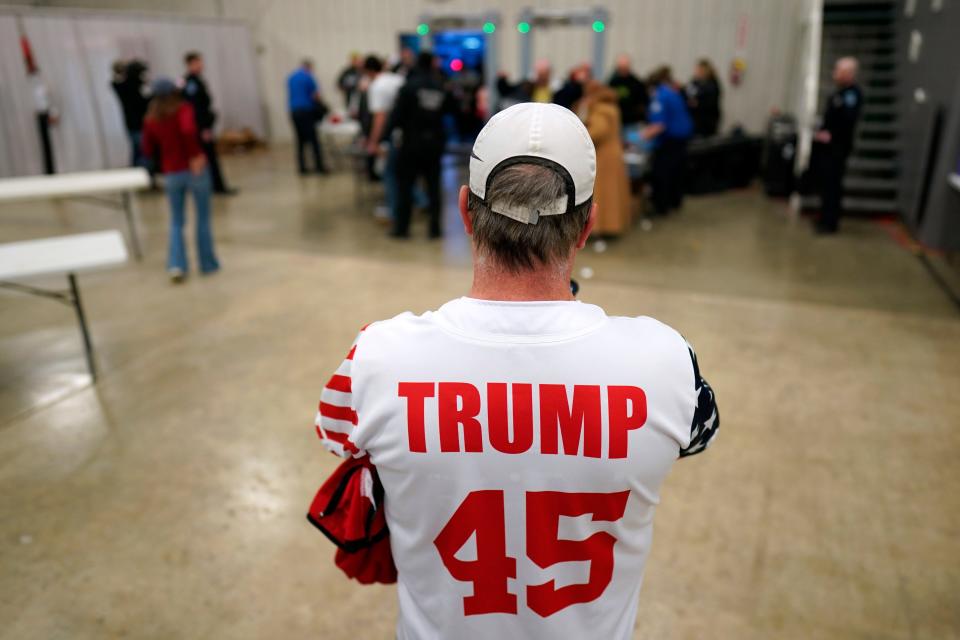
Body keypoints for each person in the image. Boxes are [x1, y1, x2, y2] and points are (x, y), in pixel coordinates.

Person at [308, 101, 719, 640]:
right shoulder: (666, 362)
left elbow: (337, 435)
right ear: (587, 225)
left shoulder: (375, 359)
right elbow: (697, 436)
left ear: (464, 211)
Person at [142, 78, 219, 282]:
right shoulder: (183, 109)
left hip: (171, 172)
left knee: (176, 221)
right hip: (194, 170)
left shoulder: (151, 118)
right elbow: (187, 130)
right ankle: (207, 263)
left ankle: (177, 264)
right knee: (202, 218)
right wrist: (195, 155)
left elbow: (147, 148)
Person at [388, 51, 452, 239]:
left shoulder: (409, 86)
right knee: (433, 187)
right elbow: (449, 110)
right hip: (434, 143)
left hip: (411, 144)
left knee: (405, 186)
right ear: (432, 63)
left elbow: (397, 116)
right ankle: (434, 229)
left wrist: (385, 137)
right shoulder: (439, 87)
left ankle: (402, 228)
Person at [813, 57, 862, 234]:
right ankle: (823, 217)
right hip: (828, 148)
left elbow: (848, 121)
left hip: (837, 148)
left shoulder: (852, 94)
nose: (835, 73)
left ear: (849, 73)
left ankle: (830, 222)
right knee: (826, 184)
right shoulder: (839, 92)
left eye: (839, 70)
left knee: (833, 185)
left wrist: (831, 135)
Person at [578, 81, 631, 235]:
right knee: (614, 192)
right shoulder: (611, 107)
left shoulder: (599, 110)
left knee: (603, 194)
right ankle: (615, 224)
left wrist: (582, 130)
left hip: (603, 157)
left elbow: (597, 132)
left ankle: (602, 227)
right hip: (614, 155)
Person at [182, 51, 237, 195]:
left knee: (209, 157)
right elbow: (195, 107)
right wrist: (204, 127)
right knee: (208, 157)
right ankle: (215, 187)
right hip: (200, 127)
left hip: (203, 125)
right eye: (199, 62)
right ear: (191, 63)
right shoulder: (191, 82)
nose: (202, 65)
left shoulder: (197, 80)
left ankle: (214, 185)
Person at [642, 66, 693, 215]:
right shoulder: (672, 92)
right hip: (681, 139)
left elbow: (659, 125)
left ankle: (661, 207)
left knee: (662, 173)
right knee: (677, 172)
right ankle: (675, 202)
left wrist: (640, 136)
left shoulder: (660, 97)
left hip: (670, 141)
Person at [363, 55, 405, 220]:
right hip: (407, 133)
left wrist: (373, 142)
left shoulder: (377, 86)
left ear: (368, 71)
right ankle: (420, 201)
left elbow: (380, 117)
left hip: (392, 136)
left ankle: (393, 210)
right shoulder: (397, 79)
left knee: (389, 173)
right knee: (402, 172)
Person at [287, 58, 327, 175]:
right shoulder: (308, 77)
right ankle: (319, 166)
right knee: (314, 140)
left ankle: (302, 167)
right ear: (309, 67)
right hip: (306, 111)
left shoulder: (291, 77)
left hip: (293, 111)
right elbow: (315, 95)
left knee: (300, 140)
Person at [110, 59, 152, 171]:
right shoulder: (130, 86)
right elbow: (143, 102)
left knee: (137, 151)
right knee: (143, 152)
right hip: (137, 125)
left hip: (135, 124)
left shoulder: (129, 85)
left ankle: (137, 176)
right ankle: (144, 176)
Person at [29, 68, 58, 175]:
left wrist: (53, 114)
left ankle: (50, 169)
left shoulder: (42, 88)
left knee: (47, 142)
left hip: (45, 115)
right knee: (44, 142)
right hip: (41, 115)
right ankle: (48, 169)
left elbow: (50, 102)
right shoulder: (33, 88)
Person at [685, 58, 722, 137]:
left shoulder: (712, 84)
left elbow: (711, 102)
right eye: (697, 70)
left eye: (700, 70)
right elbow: (688, 92)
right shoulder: (694, 82)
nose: (697, 72)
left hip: (707, 120)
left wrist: (698, 103)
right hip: (694, 119)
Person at [608, 54, 647, 127]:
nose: (622, 70)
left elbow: (642, 103)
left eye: (624, 67)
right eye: (620, 68)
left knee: (632, 138)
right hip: (616, 122)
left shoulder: (637, 83)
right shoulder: (612, 82)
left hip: (632, 123)